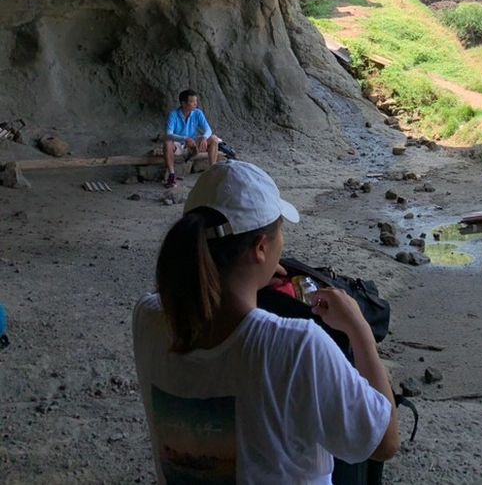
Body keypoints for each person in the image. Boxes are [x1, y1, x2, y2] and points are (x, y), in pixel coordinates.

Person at [132, 162, 400, 482]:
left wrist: (247, 278)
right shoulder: (295, 346)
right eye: (280, 231)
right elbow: (384, 443)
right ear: (261, 247)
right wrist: (360, 330)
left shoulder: (148, 319)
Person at [163, 89, 224, 187]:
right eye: (192, 102)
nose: (195, 104)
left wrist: (204, 138)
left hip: (193, 143)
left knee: (213, 138)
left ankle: (212, 171)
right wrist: (185, 139)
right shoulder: (173, 114)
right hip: (179, 143)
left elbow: (208, 129)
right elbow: (168, 134)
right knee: (167, 142)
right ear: (183, 103)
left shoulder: (197, 113)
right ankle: (172, 175)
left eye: (196, 101)